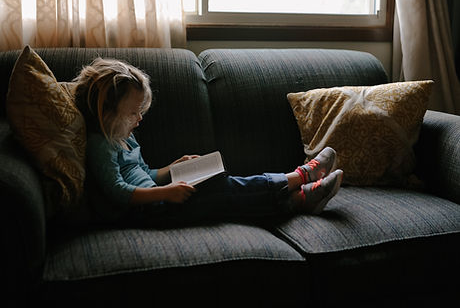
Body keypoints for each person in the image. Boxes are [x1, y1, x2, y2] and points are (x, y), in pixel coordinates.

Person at [74, 58, 343, 225]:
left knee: (222, 187)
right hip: (148, 213)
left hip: (158, 201)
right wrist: (166, 192)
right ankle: (300, 179)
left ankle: (300, 198)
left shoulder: (125, 138)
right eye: (133, 113)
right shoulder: (100, 145)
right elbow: (119, 191)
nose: (139, 120)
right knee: (222, 192)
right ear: (106, 113)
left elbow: (145, 174)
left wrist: (172, 168)